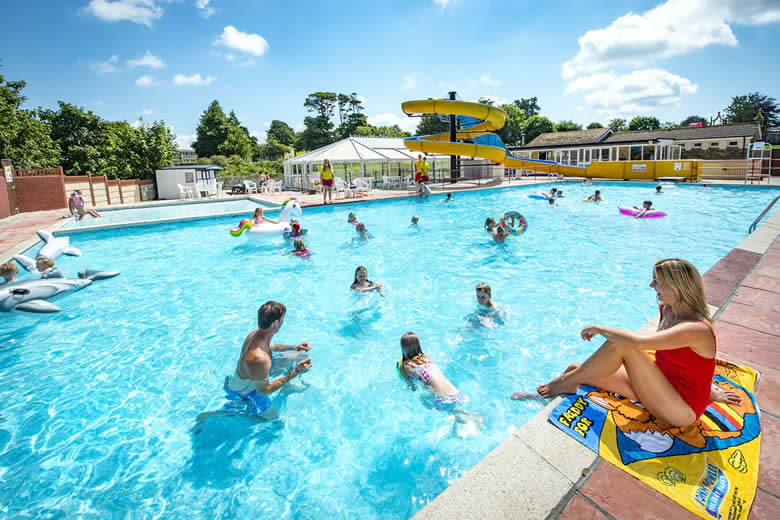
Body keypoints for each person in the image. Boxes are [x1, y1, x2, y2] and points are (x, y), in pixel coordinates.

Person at [535, 259, 719, 428]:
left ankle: (560, 385)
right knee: (575, 368)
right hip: (660, 385)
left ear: (675, 286)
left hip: (681, 409)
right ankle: (553, 393)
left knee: (622, 345)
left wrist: (598, 328)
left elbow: (638, 342)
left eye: (657, 282)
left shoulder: (696, 329)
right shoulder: (667, 310)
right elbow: (695, 365)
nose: (651, 285)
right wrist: (708, 388)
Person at [224, 301, 312, 418]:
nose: (283, 322)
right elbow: (264, 390)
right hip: (247, 392)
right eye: (282, 319)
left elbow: (272, 347)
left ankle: (286, 386)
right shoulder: (259, 358)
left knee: (298, 356)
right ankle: (226, 415)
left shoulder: (257, 333)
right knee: (275, 423)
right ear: (276, 323)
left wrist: (295, 347)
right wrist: (295, 372)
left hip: (254, 375)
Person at [398, 332, 468, 412]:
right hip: (456, 393)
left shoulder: (404, 367)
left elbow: (412, 387)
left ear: (403, 348)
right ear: (419, 345)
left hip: (440, 398)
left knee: (422, 399)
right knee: (456, 411)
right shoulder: (427, 359)